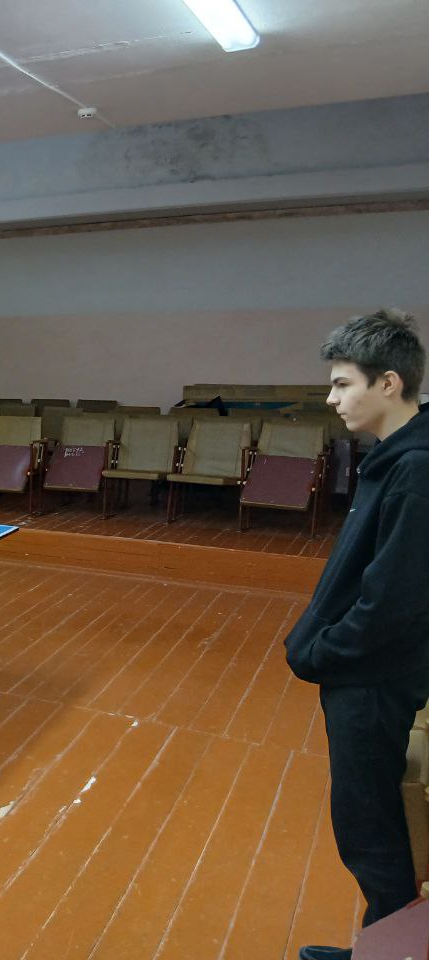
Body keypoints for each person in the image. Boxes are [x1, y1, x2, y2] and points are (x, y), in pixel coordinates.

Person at [284, 309, 429, 960]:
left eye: (343, 384)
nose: (331, 398)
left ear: (389, 383)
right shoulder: (395, 459)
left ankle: (391, 953)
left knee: (371, 831)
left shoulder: (416, 470)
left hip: (371, 678)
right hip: (363, 671)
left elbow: (393, 602)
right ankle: (385, 947)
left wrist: (322, 652)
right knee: (367, 824)